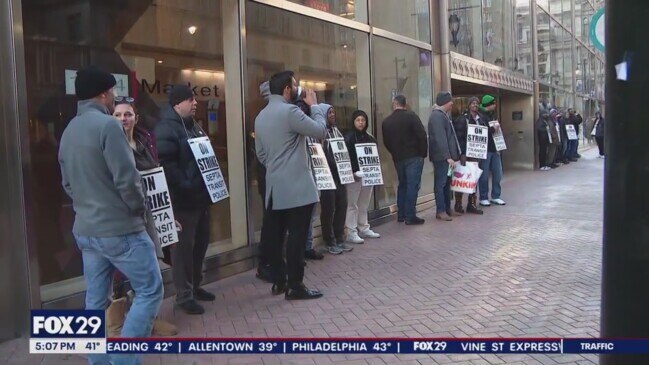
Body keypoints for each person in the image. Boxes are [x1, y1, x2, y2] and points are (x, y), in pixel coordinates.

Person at [59, 66, 163, 365]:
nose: (114, 96)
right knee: (150, 291)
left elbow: (67, 183)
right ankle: (123, 360)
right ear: (104, 93)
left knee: (94, 301)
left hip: (86, 229)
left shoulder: (69, 131)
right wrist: (137, 209)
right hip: (120, 229)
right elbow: (127, 180)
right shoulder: (108, 127)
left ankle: (99, 360)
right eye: (113, 91)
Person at [106, 100, 178, 337]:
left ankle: (150, 320)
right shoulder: (107, 144)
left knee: (150, 269)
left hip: (148, 214)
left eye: (128, 114)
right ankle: (115, 327)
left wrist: (167, 214)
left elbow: (157, 179)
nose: (123, 118)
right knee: (118, 272)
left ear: (136, 117)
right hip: (120, 217)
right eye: (118, 115)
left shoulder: (146, 142)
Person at [255, 70, 326, 300]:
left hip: (275, 188)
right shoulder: (291, 111)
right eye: (295, 85)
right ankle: (295, 285)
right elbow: (319, 131)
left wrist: (277, 166)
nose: (297, 88)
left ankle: (280, 280)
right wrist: (315, 107)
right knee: (296, 236)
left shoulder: (261, 116)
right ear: (287, 89)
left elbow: (262, 155)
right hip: (297, 188)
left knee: (276, 237)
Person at [156, 85, 215, 315]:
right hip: (183, 201)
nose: (195, 103)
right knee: (183, 250)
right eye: (191, 99)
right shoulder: (167, 129)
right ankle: (184, 295)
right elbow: (166, 166)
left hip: (200, 199)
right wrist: (188, 185)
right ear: (177, 103)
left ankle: (196, 286)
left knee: (200, 245)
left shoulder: (194, 126)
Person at [381, 95, 428, 225]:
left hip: (398, 158)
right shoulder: (411, 116)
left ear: (394, 104)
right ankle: (410, 215)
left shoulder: (386, 122)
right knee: (412, 186)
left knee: (403, 185)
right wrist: (422, 154)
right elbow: (422, 135)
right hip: (414, 156)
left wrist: (394, 153)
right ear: (404, 104)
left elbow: (386, 142)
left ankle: (401, 214)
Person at [319, 103, 354, 253]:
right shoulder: (321, 133)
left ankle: (339, 237)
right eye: (329, 112)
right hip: (327, 176)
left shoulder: (337, 132)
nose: (332, 114)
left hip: (339, 176)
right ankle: (329, 240)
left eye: (333, 111)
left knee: (342, 205)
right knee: (329, 208)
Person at [344, 110, 381, 244]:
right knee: (352, 204)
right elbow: (346, 158)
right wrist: (352, 172)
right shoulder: (348, 138)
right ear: (353, 121)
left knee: (363, 204)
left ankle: (363, 227)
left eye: (363, 120)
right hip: (354, 176)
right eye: (358, 120)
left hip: (367, 176)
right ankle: (351, 231)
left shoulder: (370, 138)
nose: (360, 123)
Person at [427, 91, 461, 221]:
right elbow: (440, 138)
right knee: (441, 184)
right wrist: (448, 156)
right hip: (442, 158)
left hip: (446, 158)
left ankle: (447, 208)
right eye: (450, 101)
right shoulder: (437, 116)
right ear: (444, 102)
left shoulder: (442, 115)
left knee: (447, 183)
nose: (452, 103)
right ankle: (441, 210)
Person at [451, 96, 484, 214]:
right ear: (469, 105)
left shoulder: (481, 119)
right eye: (473, 103)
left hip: (476, 154)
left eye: (477, 103)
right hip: (466, 154)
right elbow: (459, 138)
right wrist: (462, 153)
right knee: (462, 177)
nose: (475, 105)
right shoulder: (463, 119)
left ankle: (472, 204)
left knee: (474, 179)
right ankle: (458, 204)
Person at [478, 94, 506, 206]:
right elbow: (482, 132)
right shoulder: (481, 116)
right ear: (489, 104)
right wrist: (493, 130)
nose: (495, 105)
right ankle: (483, 197)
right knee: (484, 175)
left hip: (494, 149)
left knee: (498, 173)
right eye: (493, 103)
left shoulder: (492, 115)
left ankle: (496, 195)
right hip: (485, 150)